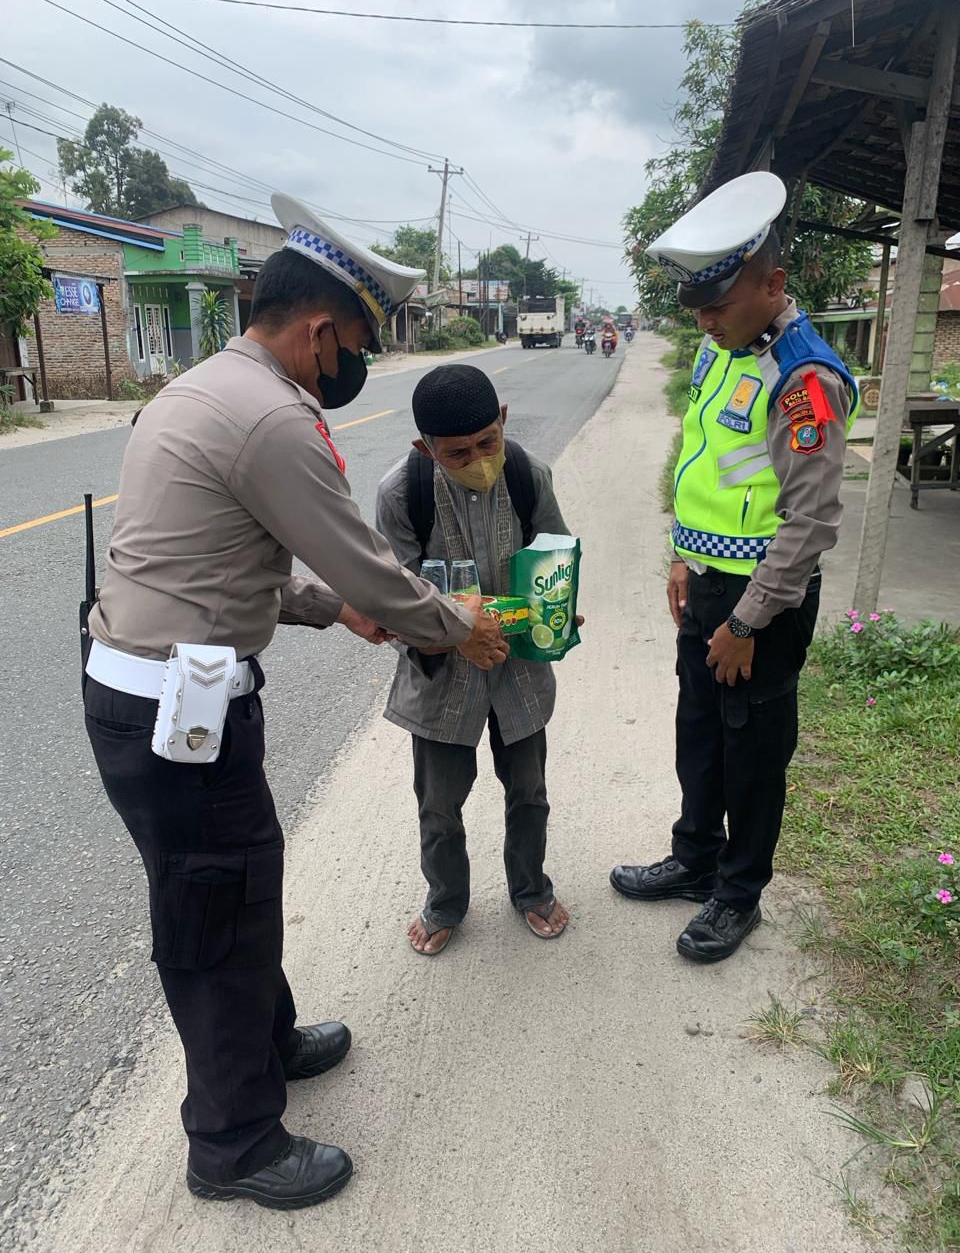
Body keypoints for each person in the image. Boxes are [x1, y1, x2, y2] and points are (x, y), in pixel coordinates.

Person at [82, 195, 508, 1209]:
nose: (350, 363)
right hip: (172, 708)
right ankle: (232, 1141)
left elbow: (224, 559)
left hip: (171, 694)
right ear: (321, 328)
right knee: (216, 910)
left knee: (237, 881)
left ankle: (264, 1041)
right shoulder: (273, 414)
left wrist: (330, 612)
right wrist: (456, 624)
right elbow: (372, 568)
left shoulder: (204, 388)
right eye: (354, 342)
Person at [610, 172, 858, 963]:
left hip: (765, 603)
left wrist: (749, 621)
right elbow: (708, 461)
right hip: (708, 582)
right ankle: (695, 859)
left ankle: (738, 891)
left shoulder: (803, 380)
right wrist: (683, 556)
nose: (706, 322)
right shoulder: (724, 350)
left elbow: (811, 522)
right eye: (697, 308)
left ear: (774, 283)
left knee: (753, 752)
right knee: (700, 731)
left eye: (718, 305)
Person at [375, 365, 579, 956]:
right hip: (442, 681)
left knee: (530, 792)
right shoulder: (400, 493)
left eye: (488, 442)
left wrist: (560, 610)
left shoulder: (527, 474)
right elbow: (393, 599)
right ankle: (444, 902)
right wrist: (457, 632)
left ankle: (531, 890)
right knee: (438, 805)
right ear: (425, 447)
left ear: (504, 422)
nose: (480, 459)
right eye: (458, 452)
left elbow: (555, 553)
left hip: (519, 671)